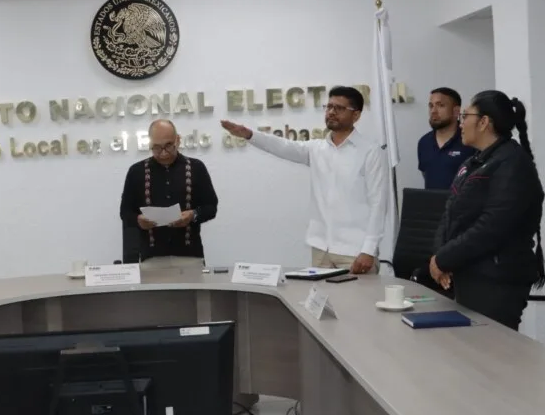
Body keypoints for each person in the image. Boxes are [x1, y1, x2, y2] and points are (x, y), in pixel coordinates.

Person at [222, 86, 388, 274]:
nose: (331, 112)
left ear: (356, 115)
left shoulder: (370, 151)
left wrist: (369, 250)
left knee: (358, 295)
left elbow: (378, 204)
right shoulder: (317, 149)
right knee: (320, 295)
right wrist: (249, 134)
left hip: (355, 252)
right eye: (329, 106)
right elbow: (283, 147)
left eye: (339, 108)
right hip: (321, 250)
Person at [428, 90, 545, 331]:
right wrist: (440, 257)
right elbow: (449, 212)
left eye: (466, 116)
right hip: (467, 272)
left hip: (497, 279)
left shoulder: (513, 163)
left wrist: (444, 259)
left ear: (484, 122)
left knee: (488, 351)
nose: (461, 123)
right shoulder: (474, 162)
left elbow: (492, 226)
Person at [119, 119, 219, 261]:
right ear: (150, 144)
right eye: (157, 147)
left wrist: (193, 215)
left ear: (178, 140)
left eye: (168, 145)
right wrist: (138, 220)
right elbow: (125, 212)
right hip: (151, 258)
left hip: (190, 257)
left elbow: (211, 207)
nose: (163, 153)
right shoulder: (136, 172)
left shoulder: (196, 168)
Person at [417, 87, 476, 190]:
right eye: (431, 106)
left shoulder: (471, 140)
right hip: (432, 200)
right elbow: (426, 175)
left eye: (440, 105)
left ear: (456, 111)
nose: (433, 111)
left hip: (463, 200)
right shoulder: (424, 142)